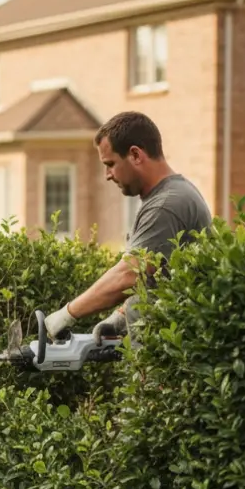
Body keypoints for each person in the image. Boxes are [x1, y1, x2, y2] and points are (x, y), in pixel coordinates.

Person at [42, 111, 213, 344]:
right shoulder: (165, 197)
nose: (107, 175)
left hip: (171, 361)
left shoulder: (166, 204)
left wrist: (67, 313)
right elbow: (156, 275)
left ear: (135, 154)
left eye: (110, 164)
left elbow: (131, 272)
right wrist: (120, 317)